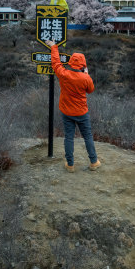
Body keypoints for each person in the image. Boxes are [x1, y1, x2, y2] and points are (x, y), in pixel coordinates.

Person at [45, 39, 101, 172]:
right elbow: (90, 90)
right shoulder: (85, 78)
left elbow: (56, 63)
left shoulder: (63, 74)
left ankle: (70, 165)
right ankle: (93, 162)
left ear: (70, 63)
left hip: (67, 112)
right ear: (83, 65)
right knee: (87, 136)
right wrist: (86, 74)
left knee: (69, 137)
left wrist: (54, 47)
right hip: (81, 112)